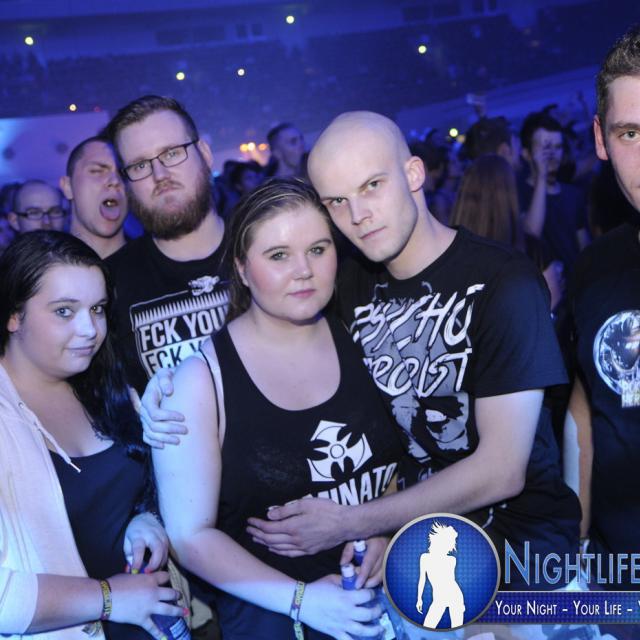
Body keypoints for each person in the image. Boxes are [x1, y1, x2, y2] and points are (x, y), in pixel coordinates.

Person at [144, 112, 580, 591]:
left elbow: (502, 470)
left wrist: (355, 521)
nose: (358, 215)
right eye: (337, 201)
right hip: (414, 555)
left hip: (524, 559)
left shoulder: (504, 282)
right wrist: (174, 390)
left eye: (372, 186)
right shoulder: (349, 283)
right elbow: (264, 333)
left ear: (414, 174)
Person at [151, 178, 399, 639]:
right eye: (279, 255)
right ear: (242, 269)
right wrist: (303, 601)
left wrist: (383, 526)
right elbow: (189, 537)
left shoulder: (362, 332)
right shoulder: (200, 381)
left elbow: (399, 461)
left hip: (385, 599)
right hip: (274, 621)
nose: (303, 270)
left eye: (318, 249)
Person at [0, 230, 183, 639]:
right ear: (13, 315)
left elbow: (131, 491)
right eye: (64, 311)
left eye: (97, 309)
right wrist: (109, 597)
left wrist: (146, 518)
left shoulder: (105, 387)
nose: (89, 329)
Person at [564, 24, 640, 600]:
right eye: (631, 133)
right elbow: (586, 416)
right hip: (619, 587)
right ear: (600, 139)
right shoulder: (593, 268)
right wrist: (576, 557)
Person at [104, 95, 229, 396]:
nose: (160, 175)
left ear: (205, 154)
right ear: (126, 182)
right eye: (139, 165)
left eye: (172, 153)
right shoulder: (109, 285)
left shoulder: (269, 250)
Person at [519, 111, 590, 274]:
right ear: (527, 154)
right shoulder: (519, 192)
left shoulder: (573, 194)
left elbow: (585, 249)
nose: (552, 154)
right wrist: (541, 176)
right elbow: (531, 234)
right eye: (545, 148)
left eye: (558, 147)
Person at [60, 136, 128, 258]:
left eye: (123, 173)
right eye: (97, 171)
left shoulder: (155, 265)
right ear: (68, 187)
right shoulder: (42, 265)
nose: (115, 180)